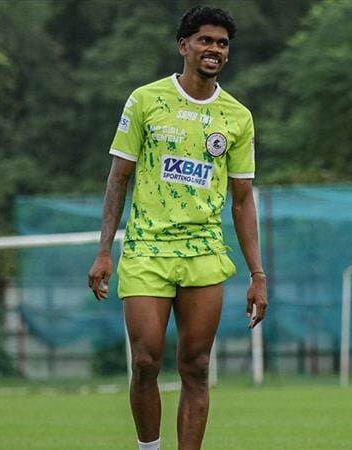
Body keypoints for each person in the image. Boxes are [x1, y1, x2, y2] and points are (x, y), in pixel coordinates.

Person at [86, 6, 268, 450]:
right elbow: (118, 179)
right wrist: (104, 250)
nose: (214, 50)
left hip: (205, 252)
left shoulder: (237, 116)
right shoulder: (146, 100)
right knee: (146, 360)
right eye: (206, 40)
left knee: (196, 365)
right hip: (147, 249)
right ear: (184, 45)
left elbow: (242, 199)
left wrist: (257, 275)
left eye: (222, 44)